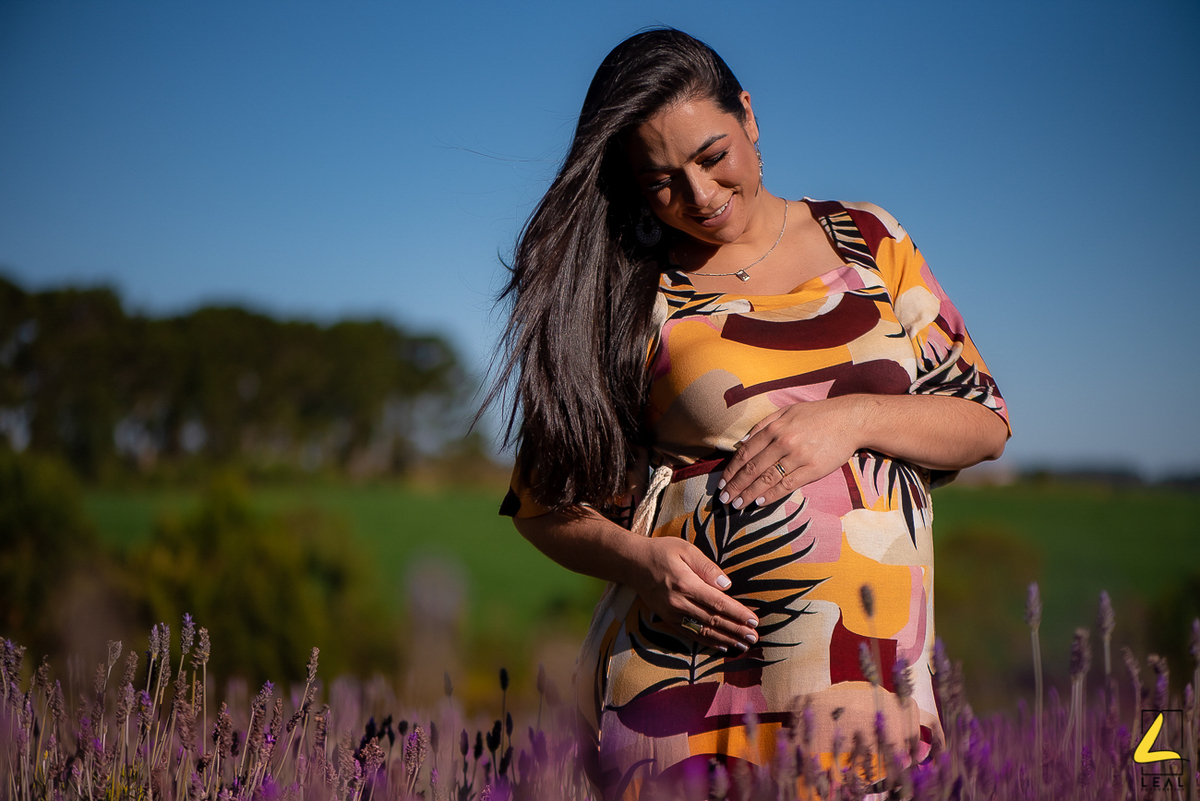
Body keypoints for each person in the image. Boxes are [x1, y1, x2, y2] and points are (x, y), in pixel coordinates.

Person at [482, 27, 1010, 800]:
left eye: (711, 155)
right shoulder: (631, 289)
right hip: (686, 690)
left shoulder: (867, 240)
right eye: (661, 179)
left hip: (860, 690)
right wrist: (641, 562)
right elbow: (541, 504)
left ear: (750, 117)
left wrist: (854, 418)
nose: (698, 195)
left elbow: (984, 420)